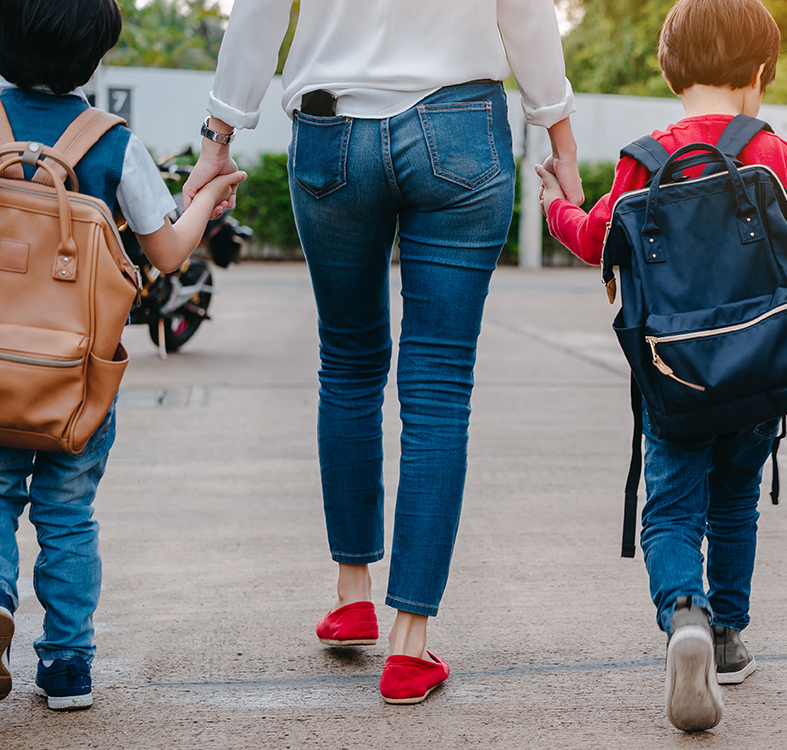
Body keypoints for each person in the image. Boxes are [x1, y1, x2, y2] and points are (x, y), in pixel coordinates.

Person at [182, 0, 582, 704]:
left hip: (332, 129)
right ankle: (409, 644)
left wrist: (218, 137)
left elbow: (259, 13)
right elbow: (524, 12)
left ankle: (352, 593)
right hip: (461, 128)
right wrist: (560, 134)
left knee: (349, 363)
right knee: (437, 386)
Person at [537, 0, 787, 730]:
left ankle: (685, 615)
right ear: (760, 74)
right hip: (761, 372)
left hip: (674, 377)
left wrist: (555, 206)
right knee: (735, 499)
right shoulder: (773, 155)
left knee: (671, 508)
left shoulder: (645, 159)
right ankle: (728, 638)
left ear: (671, 71)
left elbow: (594, 240)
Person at [0, 0, 245, 709]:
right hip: (76, 378)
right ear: (94, 57)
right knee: (68, 515)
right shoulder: (111, 142)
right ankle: (68, 665)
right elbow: (167, 253)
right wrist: (210, 198)